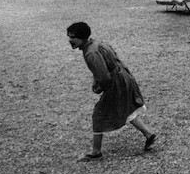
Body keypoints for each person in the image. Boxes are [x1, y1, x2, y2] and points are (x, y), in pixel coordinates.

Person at [67, 21, 156, 162]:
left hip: (116, 82)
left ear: (83, 38)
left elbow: (103, 77)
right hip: (124, 77)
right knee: (126, 108)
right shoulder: (97, 43)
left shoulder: (91, 53)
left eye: (73, 37)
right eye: (69, 37)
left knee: (99, 114)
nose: (70, 40)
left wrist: (99, 87)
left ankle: (96, 152)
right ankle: (149, 134)